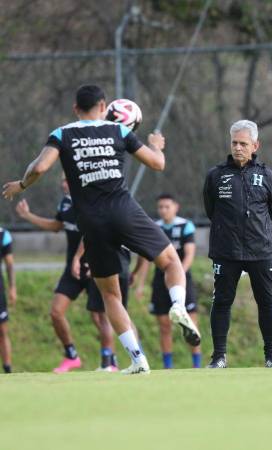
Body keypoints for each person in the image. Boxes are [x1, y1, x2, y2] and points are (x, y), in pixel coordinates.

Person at [3, 84, 200, 375]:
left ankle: (137, 359)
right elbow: (157, 164)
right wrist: (156, 144)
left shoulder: (62, 134)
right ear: (103, 106)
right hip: (124, 211)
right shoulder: (119, 131)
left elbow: (40, 168)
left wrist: (20, 184)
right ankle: (178, 305)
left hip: (92, 223)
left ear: (75, 109)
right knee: (170, 261)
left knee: (110, 296)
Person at [15, 179, 124, 372]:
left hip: (94, 265)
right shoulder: (65, 202)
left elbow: (94, 233)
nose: (63, 183)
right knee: (56, 312)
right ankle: (72, 355)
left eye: (67, 179)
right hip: (72, 269)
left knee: (100, 316)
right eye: (63, 180)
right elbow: (57, 225)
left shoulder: (91, 201)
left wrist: (82, 258)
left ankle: (109, 361)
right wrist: (28, 216)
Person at [203, 119, 272, 369]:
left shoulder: (268, 176)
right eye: (234, 143)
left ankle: (271, 356)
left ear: (255, 145)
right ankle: (219, 357)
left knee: (267, 302)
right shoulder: (216, 176)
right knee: (222, 302)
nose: (238, 148)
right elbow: (210, 210)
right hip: (226, 251)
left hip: (260, 250)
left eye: (243, 143)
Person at [131, 193, 202, 369]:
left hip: (183, 281)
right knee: (164, 326)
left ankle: (197, 365)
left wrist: (179, 276)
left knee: (192, 325)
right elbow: (147, 259)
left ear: (175, 207)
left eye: (167, 206)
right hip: (159, 282)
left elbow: (190, 254)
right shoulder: (155, 227)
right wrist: (140, 284)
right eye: (160, 207)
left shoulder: (185, 226)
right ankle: (168, 367)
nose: (163, 210)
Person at [0, 226, 16, 373]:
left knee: (3, 331)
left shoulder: (3, 234)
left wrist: (12, 287)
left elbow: (9, 263)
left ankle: (7, 369)